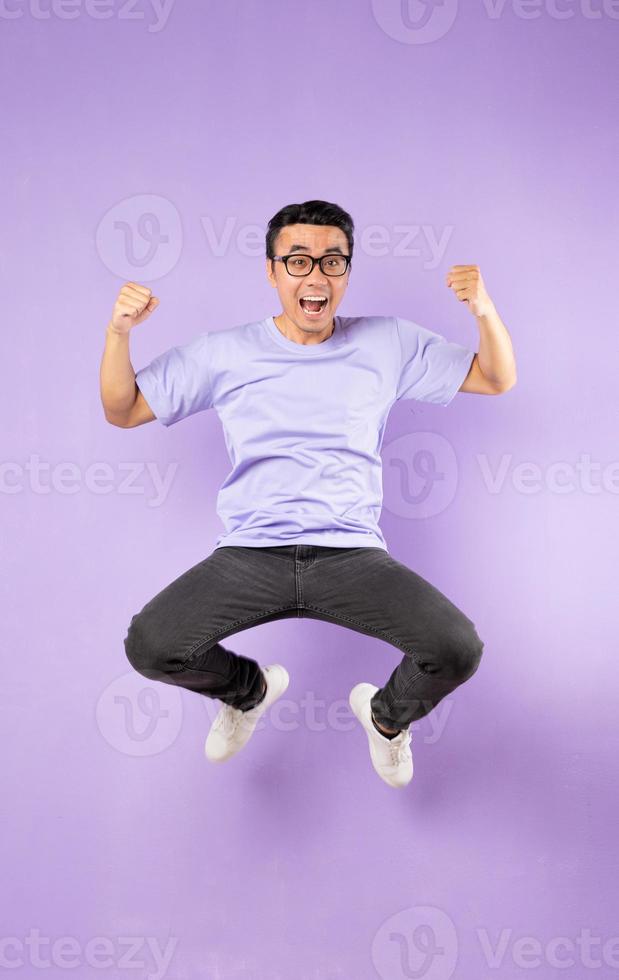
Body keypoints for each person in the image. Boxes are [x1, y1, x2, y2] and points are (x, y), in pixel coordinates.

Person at [100, 199, 517, 789]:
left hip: (352, 556)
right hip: (250, 555)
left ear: (347, 273)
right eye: (297, 261)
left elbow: (496, 377)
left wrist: (484, 310)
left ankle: (387, 720)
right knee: (152, 644)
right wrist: (119, 333)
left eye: (332, 262)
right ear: (271, 272)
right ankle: (249, 692)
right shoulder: (225, 352)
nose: (315, 276)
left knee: (455, 649)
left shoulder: (386, 343)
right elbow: (122, 409)